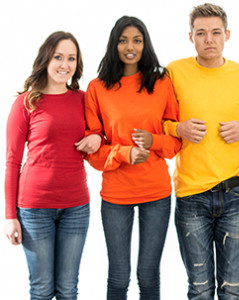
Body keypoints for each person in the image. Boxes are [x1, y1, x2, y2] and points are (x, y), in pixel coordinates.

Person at [162, 3, 239, 299]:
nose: (209, 39)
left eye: (216, 32)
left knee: (233, 291)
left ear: (227, 35)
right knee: (200, 289)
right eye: (201, 33)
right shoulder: (174, 71)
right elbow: (160, 122)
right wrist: (178, 129)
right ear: (190, 37)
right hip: (191, 194)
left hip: (235, 192)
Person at [84, 16, 181, 299]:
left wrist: (154, 141)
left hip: (156, 192)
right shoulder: (97, 88)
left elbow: (175, 143)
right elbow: (92, 151)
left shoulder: (161, 83)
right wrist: (124, 153)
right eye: (123, 40)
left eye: (137, 40)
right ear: (114, 44)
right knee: (118, 276)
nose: (130, 46)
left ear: (145, 44)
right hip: (115, 195)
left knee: (148, 275)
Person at [4, 31, 101, 299]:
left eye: (71, 58)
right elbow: (12, 161)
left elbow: (102, 131)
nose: (64, 64)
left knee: (68, 289)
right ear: (46, 58)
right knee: (42, 288)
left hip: (76, 207)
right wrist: (10, 216)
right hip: (34, 209)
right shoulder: (26, 102)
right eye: (58, 57)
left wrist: (97, 136)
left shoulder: (83, 99)